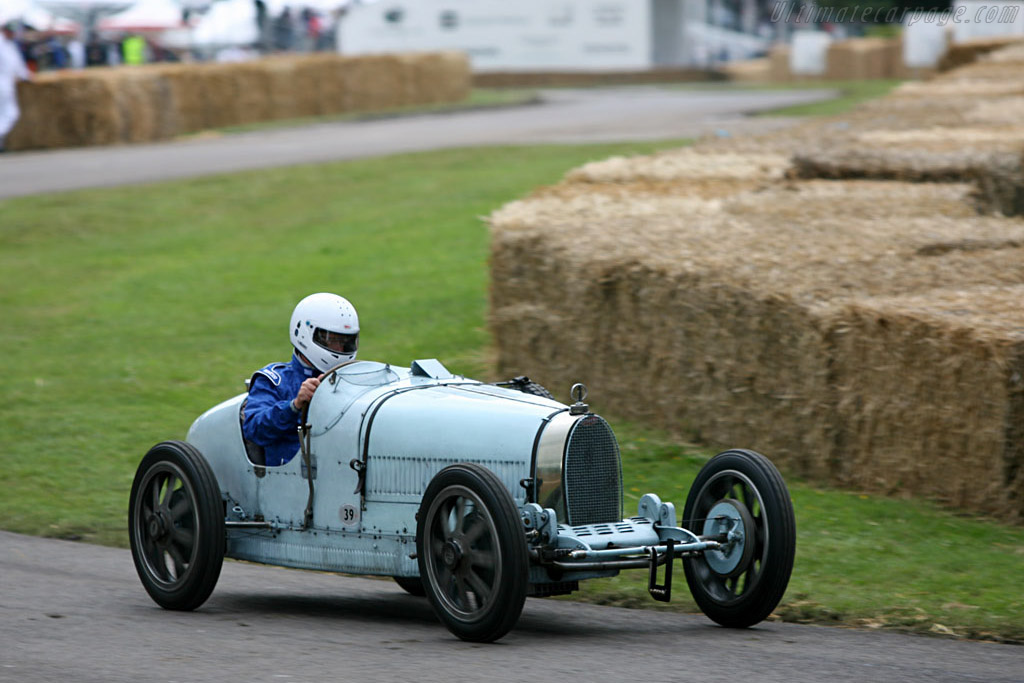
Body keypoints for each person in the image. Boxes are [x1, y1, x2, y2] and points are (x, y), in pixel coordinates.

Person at [242, 293, 360, 466]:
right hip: (294, 479)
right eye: (332, 340)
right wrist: (294, 406)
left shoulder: (353, 378)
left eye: (346, 342)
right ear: (304, 333)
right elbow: (254, 430)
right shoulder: (274, 380)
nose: (340, 348)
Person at [0, 24, 31, 153]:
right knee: (11, 113)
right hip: (3, 85)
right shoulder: (4, 46)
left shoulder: (8, 44)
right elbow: (16, 64)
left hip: (5, 84)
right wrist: (26, 76)